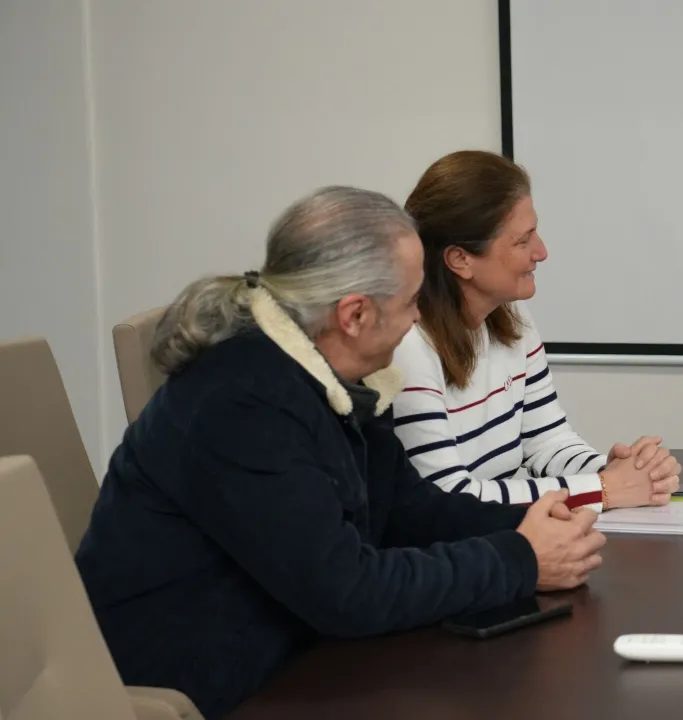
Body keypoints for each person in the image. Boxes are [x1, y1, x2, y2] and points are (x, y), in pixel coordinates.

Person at [74, 187, 606, 719]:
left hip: (296, 656)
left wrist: (533, 525)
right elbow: (345, 591)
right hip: (203, 685)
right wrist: (520, 560)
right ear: (354, 315)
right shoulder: (242, 403)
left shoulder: (331, 376)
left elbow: (407, 510)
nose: (419, 317)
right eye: (411, 301)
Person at [392, 150, 680, 510]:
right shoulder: (408, 346)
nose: (541, 252)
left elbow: (547, 441)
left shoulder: (512, 315)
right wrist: (603, 489)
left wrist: (622, 473)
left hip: (504, 540)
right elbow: (449, 497)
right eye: (522, 240)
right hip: (455, 551)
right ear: (460, 259)